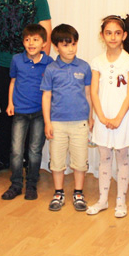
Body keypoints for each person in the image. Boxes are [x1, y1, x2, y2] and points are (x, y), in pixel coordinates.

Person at [0, 0, 51, 176]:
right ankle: (3, 158)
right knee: (7, 111)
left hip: (31, 66)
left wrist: (44, 67)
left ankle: (26, 161)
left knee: (31, 112)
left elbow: (46, 32)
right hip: (3, 63)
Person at [86, 14, 129, 218]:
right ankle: (102, 200)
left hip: (123, 118)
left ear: (124, 35)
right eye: (108, 33)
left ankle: (121, 201)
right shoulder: (97, 61)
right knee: (104, 158)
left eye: (117, 33)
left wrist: (118, 118)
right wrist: (100, 116)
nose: (113, 37)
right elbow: (93, 92)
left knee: (122, 158)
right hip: (103, 117)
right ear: (102, 35)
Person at [40, 24, 92, 212]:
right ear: (56, 47)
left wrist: (90, 117)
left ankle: (78, 192)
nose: (70, 49)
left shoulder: (84, 67)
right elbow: (46, 96)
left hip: (80, 123)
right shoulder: (51, 69)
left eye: (73, 44)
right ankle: (58, 192)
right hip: (57, 123)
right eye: (65, 45)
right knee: (57, 161)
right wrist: (47, 122)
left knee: (80, 161)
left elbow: (88, 94)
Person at [0, 24, 53, 201]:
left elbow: (51, 90)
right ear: (23, 42)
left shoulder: (49, 63)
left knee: (34, 150)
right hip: (20, 111)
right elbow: (13, 82)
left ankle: (31, 184)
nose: (31, 43)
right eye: (27, 39)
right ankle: (16, 184)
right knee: (16, 150)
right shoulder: (17, 60)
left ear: (44, 43)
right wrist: (10, 103)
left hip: (39, 113)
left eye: (36, 40)